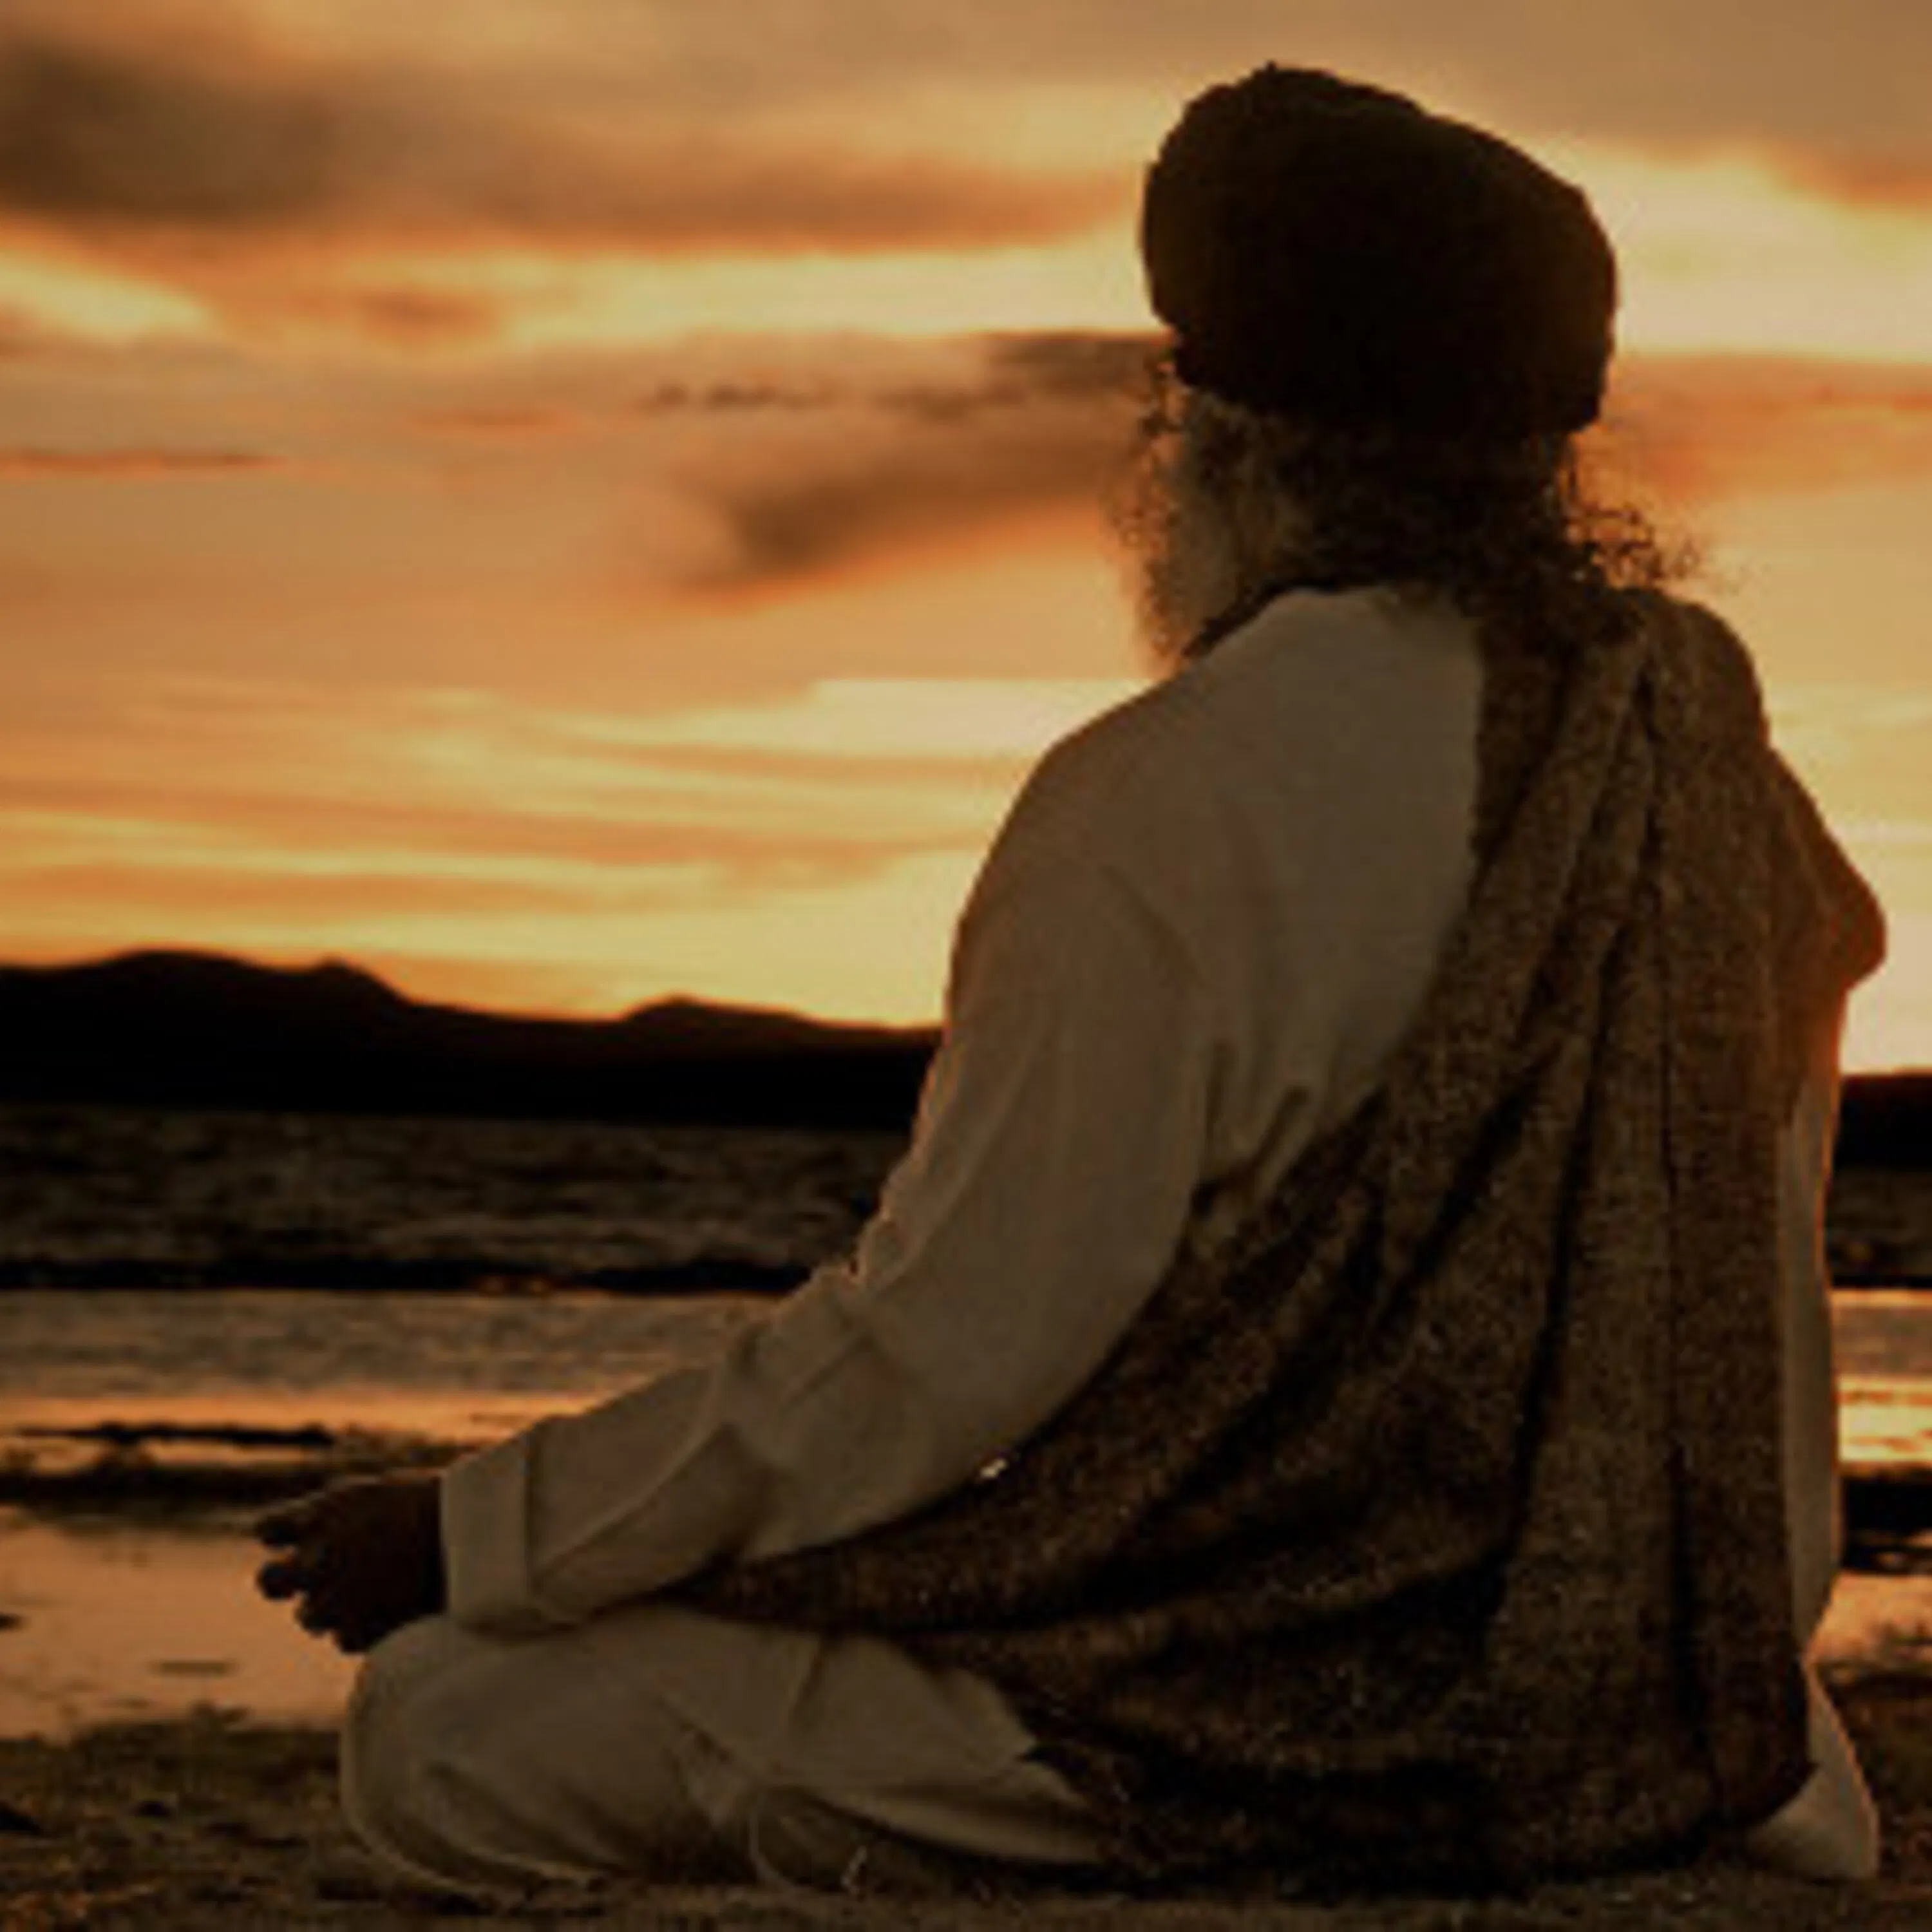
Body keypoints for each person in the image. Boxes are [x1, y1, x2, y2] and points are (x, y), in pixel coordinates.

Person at [258, 66, 1887, 1896]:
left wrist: (481, 1532)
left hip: (1236, 1711)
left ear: (1213, 426)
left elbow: (941, 1356)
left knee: (446, 1715)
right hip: (1668, 1735)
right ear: (1549, 448)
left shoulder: (1166, 790)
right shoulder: (1720, 779)